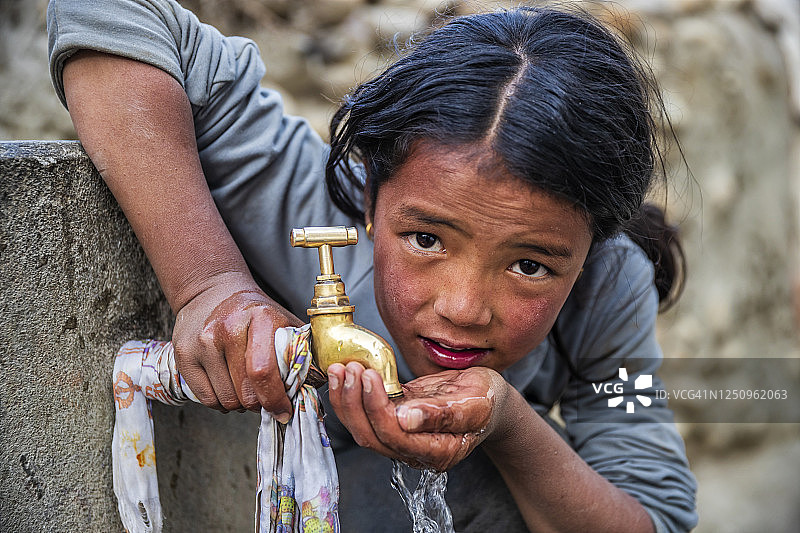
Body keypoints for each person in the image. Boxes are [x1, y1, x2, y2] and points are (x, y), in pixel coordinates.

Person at [48, 0, 698, 531]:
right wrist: (209, 283)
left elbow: (655, 517)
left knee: (484, 482)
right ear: (367, 195)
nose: (462, 307)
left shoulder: (608, 286)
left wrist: (507, 423)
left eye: (529, 266)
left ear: (590, 251)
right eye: (426, 239)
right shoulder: (304, 201)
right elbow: (102, 9)